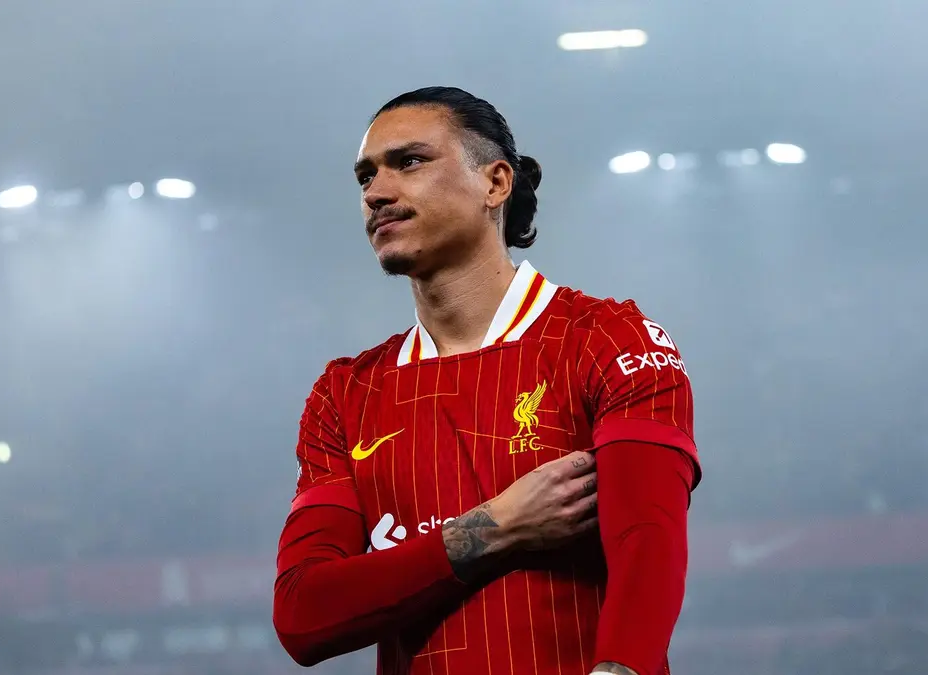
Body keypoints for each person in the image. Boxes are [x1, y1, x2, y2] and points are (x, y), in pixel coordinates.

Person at [273, 86, 700, 675]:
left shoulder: (610, 340)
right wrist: (493, 528)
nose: (376, 193)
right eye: (366, 176)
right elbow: (303, 613)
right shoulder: (347, 393)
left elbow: (648, 546)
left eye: (409, 162)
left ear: (495, 183)